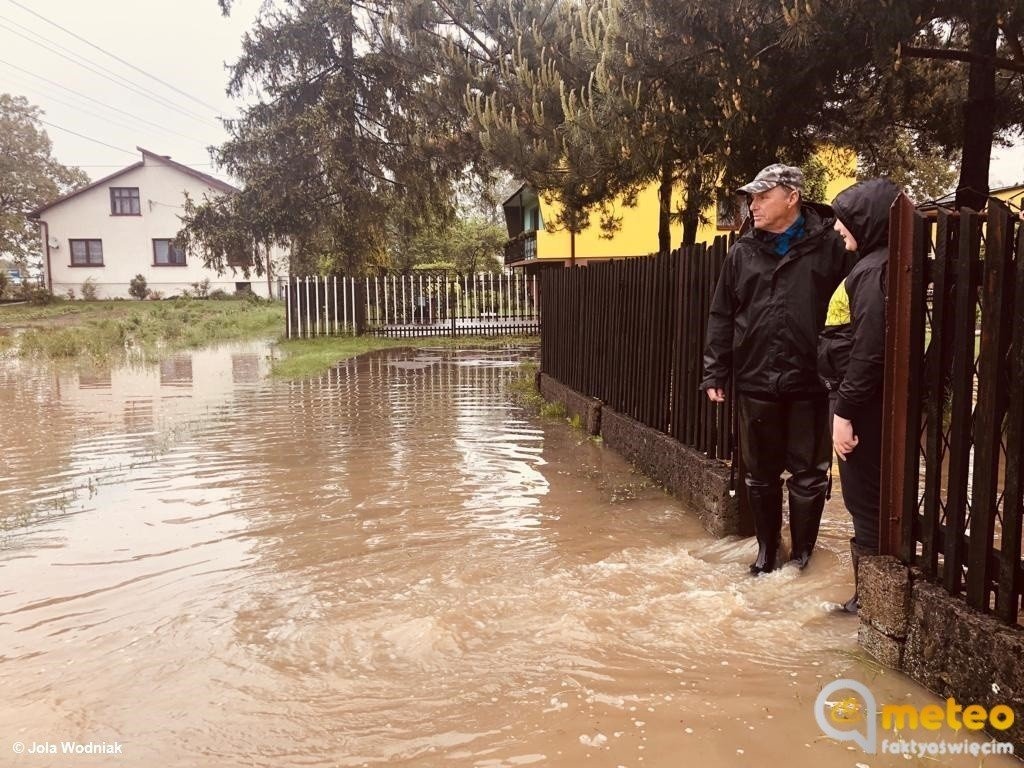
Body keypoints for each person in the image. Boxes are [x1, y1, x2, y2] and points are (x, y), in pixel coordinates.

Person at [701, 163, 855, 575]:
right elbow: (722, 314)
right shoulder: (743, 252)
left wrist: (840, 368)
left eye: (762, 196)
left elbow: (850, 312)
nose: (753, 205)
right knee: (760, 473)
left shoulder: (831, 247)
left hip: (811, 379)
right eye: (751, 197)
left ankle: (802, 557)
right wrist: (715, 370)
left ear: (792, 197)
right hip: (756, 379)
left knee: (809, 473)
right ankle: (767, 553)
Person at [817, 177, 902, 612]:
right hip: (860, 402)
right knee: (867, 497)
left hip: (860, 407)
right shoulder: (878, 264)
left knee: (863, 499)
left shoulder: (872, 271)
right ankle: (866, 597)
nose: (836, 228)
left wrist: (844, 412)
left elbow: (869, 351)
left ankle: (867, 602)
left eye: (844, 220)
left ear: (867, 222)